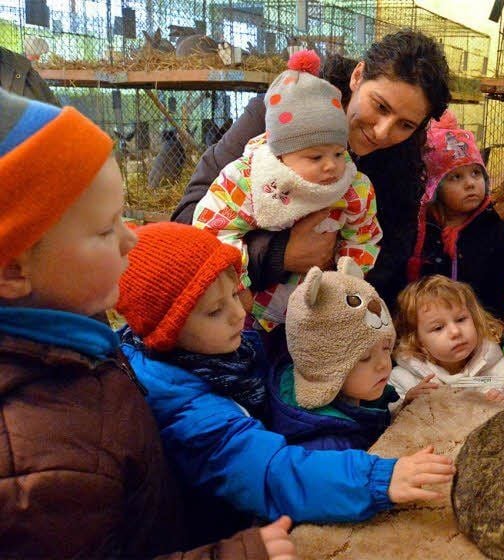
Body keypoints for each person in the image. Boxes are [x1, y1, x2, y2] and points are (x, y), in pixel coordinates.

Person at [0, 90, 294, 559]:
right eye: (105, 229)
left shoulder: (77, 336)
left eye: (123, 218)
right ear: (13, 270)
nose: (130, 240)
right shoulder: (29, 458)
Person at [115, 223, 455, 538]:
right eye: (215, 310)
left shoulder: (230, 352)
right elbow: (270, 473)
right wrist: (377, 479)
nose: (238, 313)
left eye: (235, 295)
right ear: (167, 332)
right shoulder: (188, 412)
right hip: (227, 533)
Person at [173, 30, 451, 312]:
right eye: (380, 106)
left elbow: (390, 253)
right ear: (358, 76)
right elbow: (187, 218)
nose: (382, 132)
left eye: (405, 125)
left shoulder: (400, 162)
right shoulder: (281, 114)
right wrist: (280, 254)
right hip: (242, 308)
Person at [193, 50, 381, 331]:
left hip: (320, 309)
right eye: (316, 158)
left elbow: (364, 233)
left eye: (339, 154)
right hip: (252, 307)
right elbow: (213, 227)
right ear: (281, 155)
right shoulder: (248, 179)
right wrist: (238, 283)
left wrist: (350, 277)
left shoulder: (353, 187)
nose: (331, 166)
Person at [268, 259, 400, 451]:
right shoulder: (327, 446)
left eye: (386, 348)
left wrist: (399, 407)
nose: (383, 365)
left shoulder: (355, 392)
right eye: (364, 357)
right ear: (323, 366)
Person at [406, 110, 504, 317]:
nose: (470, 183)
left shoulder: (498, 234)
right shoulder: (421, 235)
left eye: (476, 173)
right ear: (435, 187)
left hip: (487, 329)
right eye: (456, 177)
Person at [391, 275, 504, 408]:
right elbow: (388, 422)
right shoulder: (403, 379)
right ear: (417, 340)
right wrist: (406, 404)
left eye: (461, 319)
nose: (455, 332)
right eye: (438, 328)